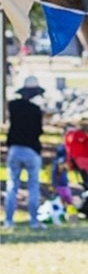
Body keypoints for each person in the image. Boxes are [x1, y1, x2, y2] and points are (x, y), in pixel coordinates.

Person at [5, 74, 46, 230]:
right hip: (31, 150)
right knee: (33, 186)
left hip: (14, 149)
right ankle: (34, 221)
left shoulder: (13, 106)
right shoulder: (36, 110)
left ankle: (9, 220)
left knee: (12, 185)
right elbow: (38, 130)